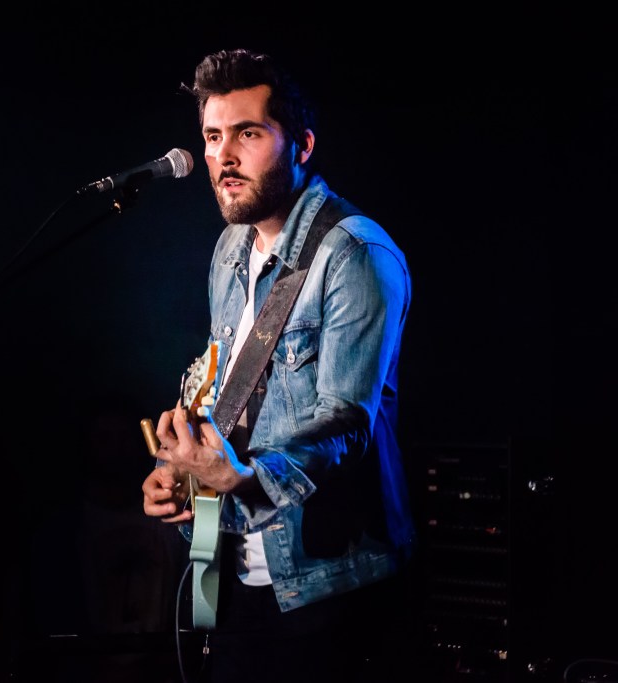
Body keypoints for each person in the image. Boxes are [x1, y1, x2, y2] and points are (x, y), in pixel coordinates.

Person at [141, 48, 418, 682]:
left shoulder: (355, 252)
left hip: (328, 584)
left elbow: (345, 425)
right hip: (231, 571)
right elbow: (223, 383)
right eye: (213, 136)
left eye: (248, 134)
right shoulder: (229, 249)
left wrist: (242, 477)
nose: (224, 157)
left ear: (302, 144)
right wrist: (178, 469)